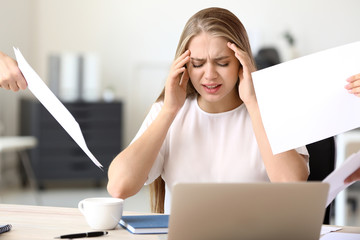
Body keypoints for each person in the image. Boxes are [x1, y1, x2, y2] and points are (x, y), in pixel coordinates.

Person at [107, 7, 310, 213]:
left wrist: (253, 104)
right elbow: (119, 186)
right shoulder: (167, 111)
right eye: (197, 64)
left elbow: (292, 185)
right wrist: (169, 111)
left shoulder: (270, 108)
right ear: (184, 66)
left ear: (242, 62)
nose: (209, 75)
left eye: (222, 63)